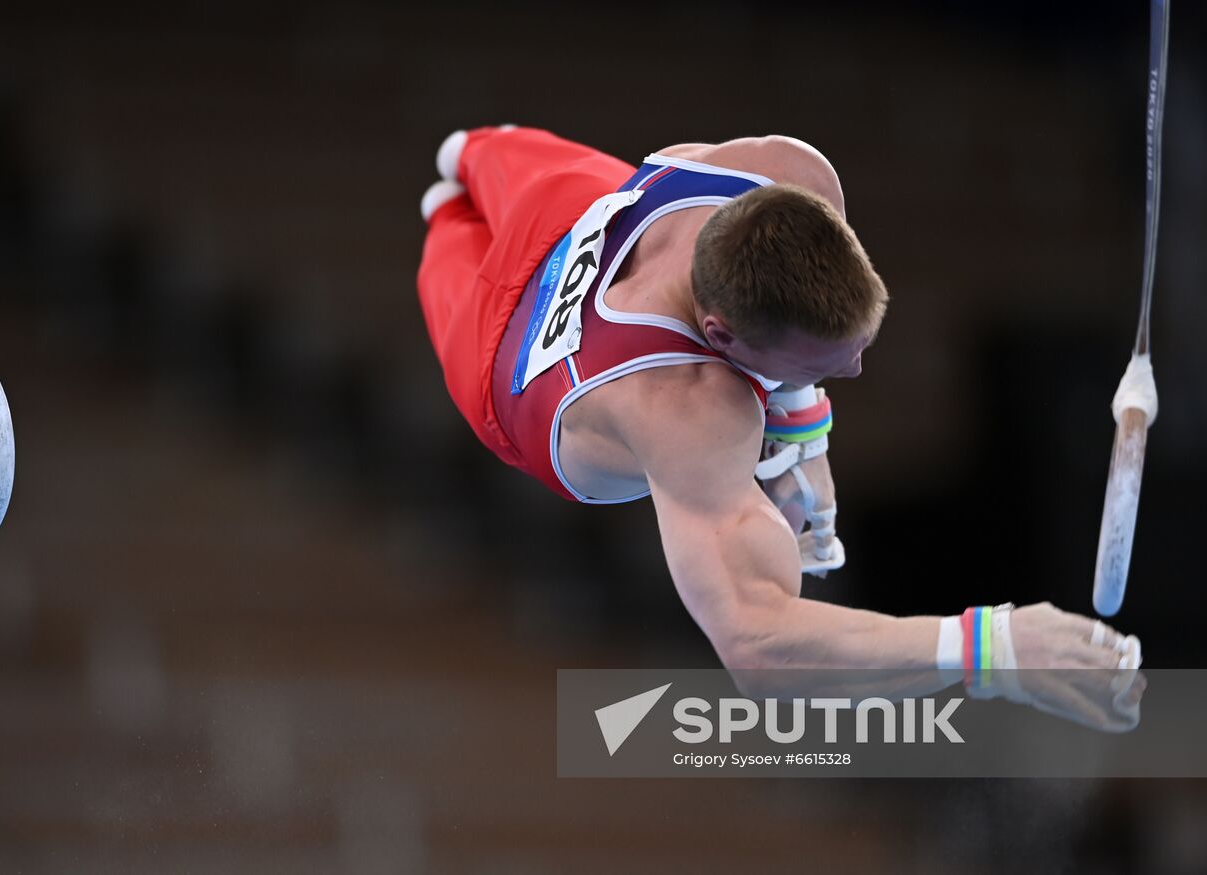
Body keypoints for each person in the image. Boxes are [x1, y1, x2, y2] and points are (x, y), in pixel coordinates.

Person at [416, 126, 1143, 729]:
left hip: (578, 209)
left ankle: (469, 154)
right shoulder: (691, 406)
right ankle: (450, 198)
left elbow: (797, 338)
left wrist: (802, 429)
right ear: (719, 337)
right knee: (443, 221)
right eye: (823, 366)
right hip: (506, 355)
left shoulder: (783, 173)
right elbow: (757, 643)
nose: (855, 372)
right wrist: (991, 647)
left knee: (478, 153)